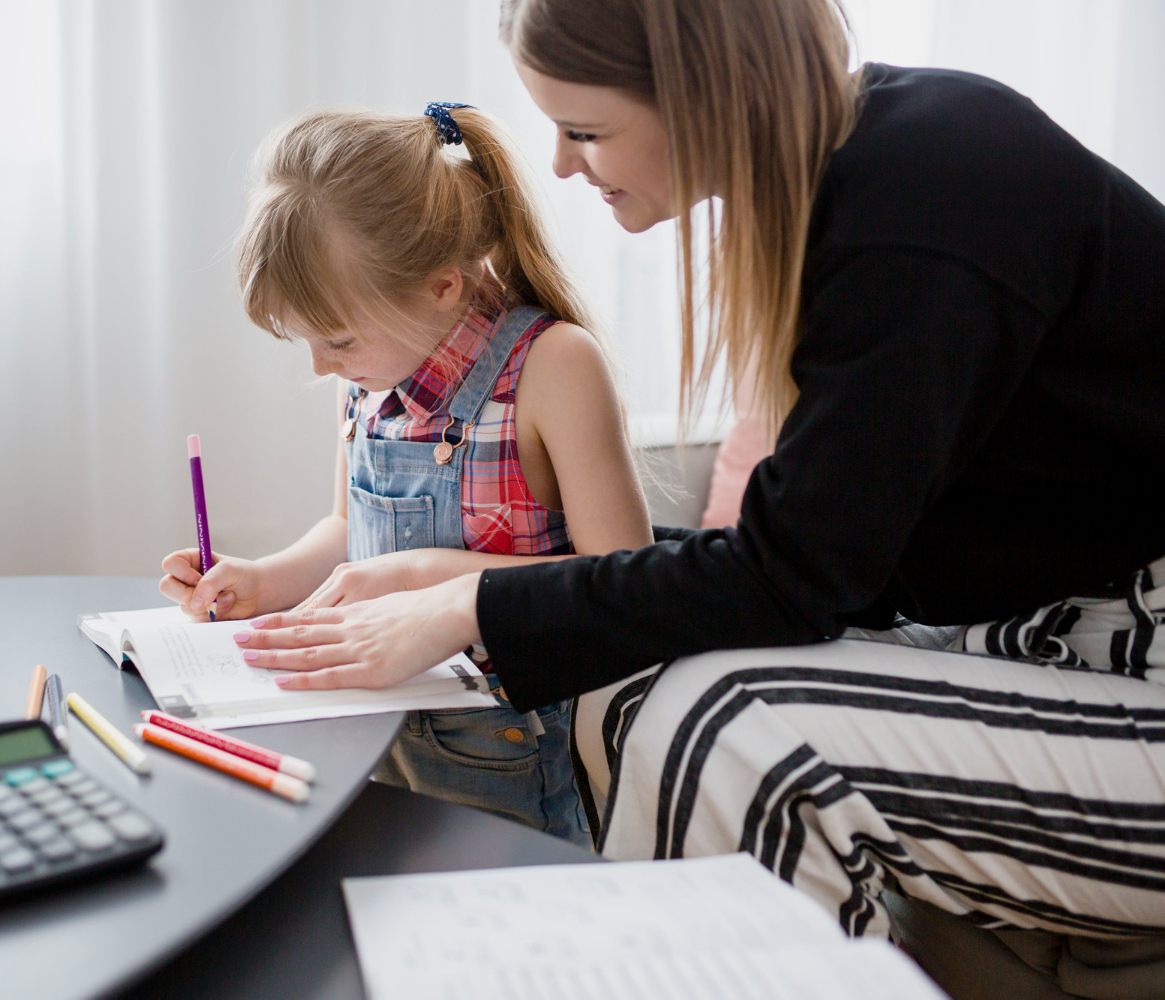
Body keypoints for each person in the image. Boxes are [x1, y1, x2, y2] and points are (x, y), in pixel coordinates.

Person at [229, 0, 1165, 994]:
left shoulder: (928, 189)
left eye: (584, 130)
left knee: (721, 727)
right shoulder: (849, 186)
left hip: (1133, 648)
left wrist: (467, 599)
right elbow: (819, 550)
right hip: (1052, 632)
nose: (556, 166)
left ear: (709, 96)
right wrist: (459, 585)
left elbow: (796, 574)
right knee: (637, 678)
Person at [159, 103, 652, 845]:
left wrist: (423, 572)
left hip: (509, 753)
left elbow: (625, 583)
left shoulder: (553, 368)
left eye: (336, 339)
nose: (321, 367)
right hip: (378, 729)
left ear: (442, 288)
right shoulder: (369, 376)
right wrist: (262, 580)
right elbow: (346, 534)